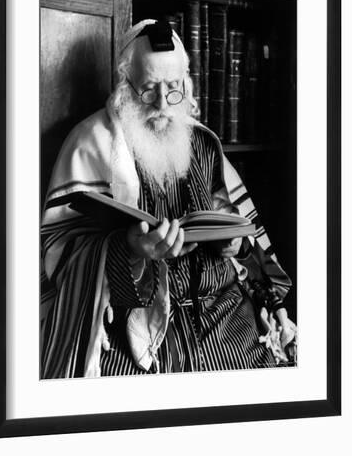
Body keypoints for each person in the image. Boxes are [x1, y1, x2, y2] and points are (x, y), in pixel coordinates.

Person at [40, 19, 296, 379]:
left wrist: (236, 244)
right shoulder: (90, 143)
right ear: (125, 85)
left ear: (186, 85)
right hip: (133, 335)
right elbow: (58, 251)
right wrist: (128, 249)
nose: (162, 102)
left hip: (228, 322)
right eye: (148, 89)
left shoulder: (204, 144)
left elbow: (244, 233)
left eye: (173, 88)